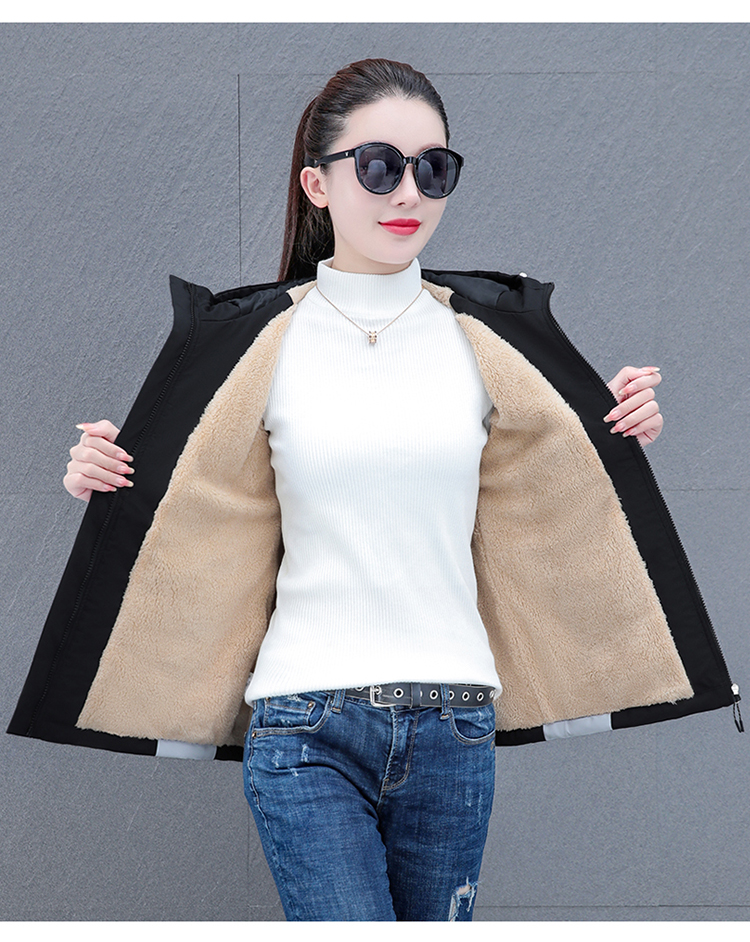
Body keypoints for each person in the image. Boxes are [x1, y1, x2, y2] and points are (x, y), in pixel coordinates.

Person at [10, 59, 738, 922]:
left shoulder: (491, 339)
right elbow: (186, 502)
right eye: (380, 166)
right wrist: (98, 477)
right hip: (303, 724)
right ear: (317, 184)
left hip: (456, 724)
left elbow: (552, 493)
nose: (409, 192)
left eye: (434, 168)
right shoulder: (252, 344)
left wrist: (606, 424)